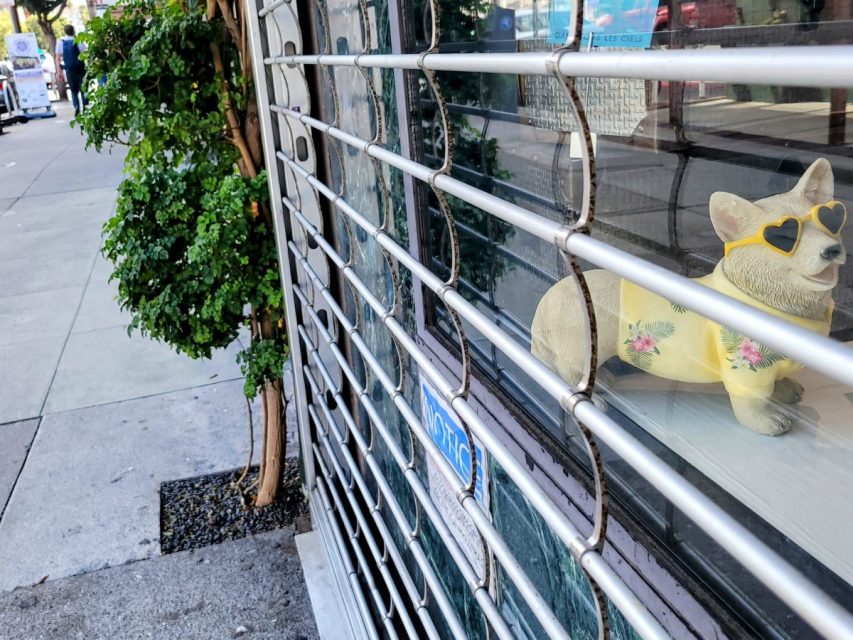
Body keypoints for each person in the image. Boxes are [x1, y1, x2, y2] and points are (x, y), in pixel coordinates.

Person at [55, 25, 88, 115]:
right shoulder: (79, 40)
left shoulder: (61, 42)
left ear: (65, 32)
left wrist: (59, 71)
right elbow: (85, 53)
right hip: (81, 68)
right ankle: (85, 107)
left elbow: (57, 58)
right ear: (73, 31)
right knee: (83, 89)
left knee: (73, 91)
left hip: (69, 70)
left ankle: (76, 106)